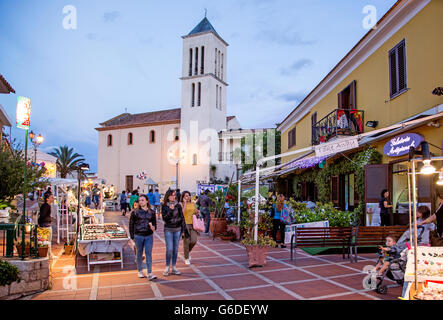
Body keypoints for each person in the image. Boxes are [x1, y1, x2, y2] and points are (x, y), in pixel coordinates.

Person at [129, 195, 157, 280]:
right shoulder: (135, 212)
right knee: (139, 254)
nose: (141, 202)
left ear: (147, 201)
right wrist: (132, 236)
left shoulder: (151, 212)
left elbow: (154, 223)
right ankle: (140, 271)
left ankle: (150, 273)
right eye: (140, 200)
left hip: (148, 235)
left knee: (148, 254)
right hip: (138, 235)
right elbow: (131, 224)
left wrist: (153, 227)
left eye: (142, 200)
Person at [162, 189, 186, 276]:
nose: (174, 197)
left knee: (175, 249)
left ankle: (174, 267)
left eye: (174, 195)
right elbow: (165, 218)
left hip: (177, 229)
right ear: (168, 196)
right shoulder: (164, 206)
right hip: (168, 229)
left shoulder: (178, 205)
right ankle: (167, 266)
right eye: (172, 195)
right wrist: (170, 211)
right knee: (170, 249)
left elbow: (182, 217)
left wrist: (183, 230)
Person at [180, 191, 199, 265]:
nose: (188, 197)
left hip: (193, 224)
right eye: (186, 196)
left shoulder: (193, 204)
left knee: (194, 240)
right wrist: (184, 203)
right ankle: (186, 258)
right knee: (186, 241)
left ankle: (187, 252)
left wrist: (197, 212)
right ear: (183, 197)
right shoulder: (181, 204)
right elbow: (182, 213)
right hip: (185, 224)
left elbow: (195, 213)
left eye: (189, 195)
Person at [38, 193, 54, 258]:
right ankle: (49, 254)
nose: (53, 199)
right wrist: (49, 219)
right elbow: (42, 215)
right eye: (51, 197)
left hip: (45, 224)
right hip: (45, 225)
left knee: (47, 240)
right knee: (47, 240)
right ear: (47, 199)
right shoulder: (46, 206)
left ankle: (49, 253)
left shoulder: (46, 205)